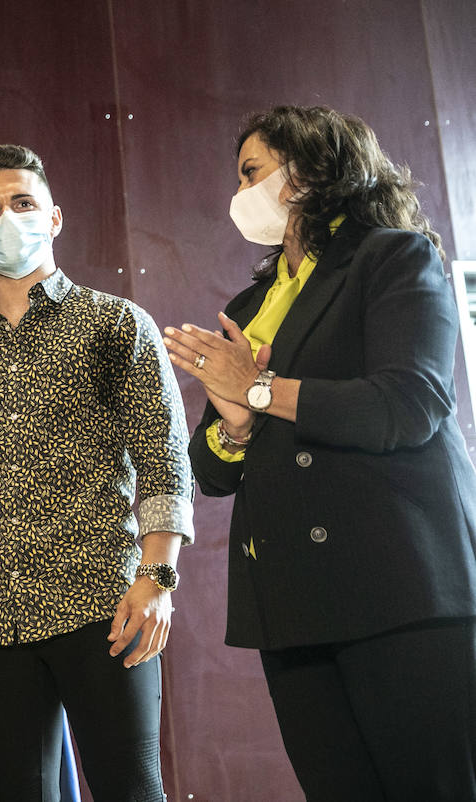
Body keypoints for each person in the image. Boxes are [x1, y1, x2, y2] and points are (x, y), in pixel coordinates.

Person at [165, 105, 476, 800]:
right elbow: (212, 470)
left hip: (397, 584)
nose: (238, 194)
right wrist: (237, 423)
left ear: (306, 171)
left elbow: (410, 403)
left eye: (252, 172)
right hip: (294, 602)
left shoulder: (395, 256)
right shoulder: (250, 306)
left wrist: (264, 391)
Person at [0, 144, 194, 801]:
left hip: (104, 606)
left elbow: (163, 457)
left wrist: (157, 578)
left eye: (22, 202)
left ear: (55, 218)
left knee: (132, 790)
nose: (7, 217)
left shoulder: (117, 323)